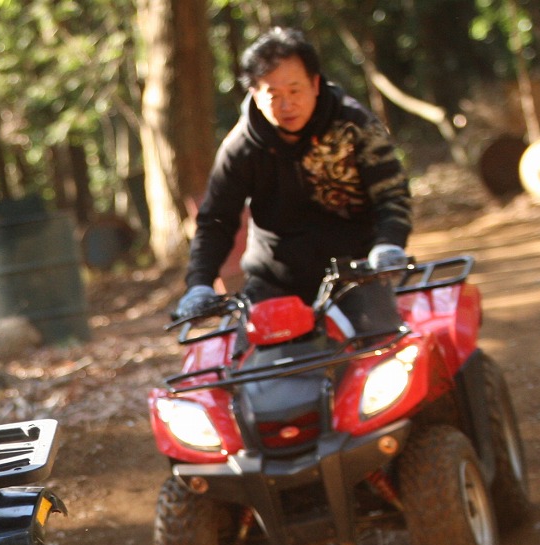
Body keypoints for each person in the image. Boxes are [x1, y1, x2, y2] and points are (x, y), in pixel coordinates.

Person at [175, 27, 413, 333]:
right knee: (255, 360)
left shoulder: (356, 126)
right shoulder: (240, 149)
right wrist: (199, 284)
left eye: (295, 90)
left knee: (382, 350)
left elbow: (391, 194)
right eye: (273, 95)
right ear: (254, 94)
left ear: (315, 84)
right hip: (274, 280)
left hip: (358, 273)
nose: (287, 105)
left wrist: (389, 244)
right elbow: (215, 221)